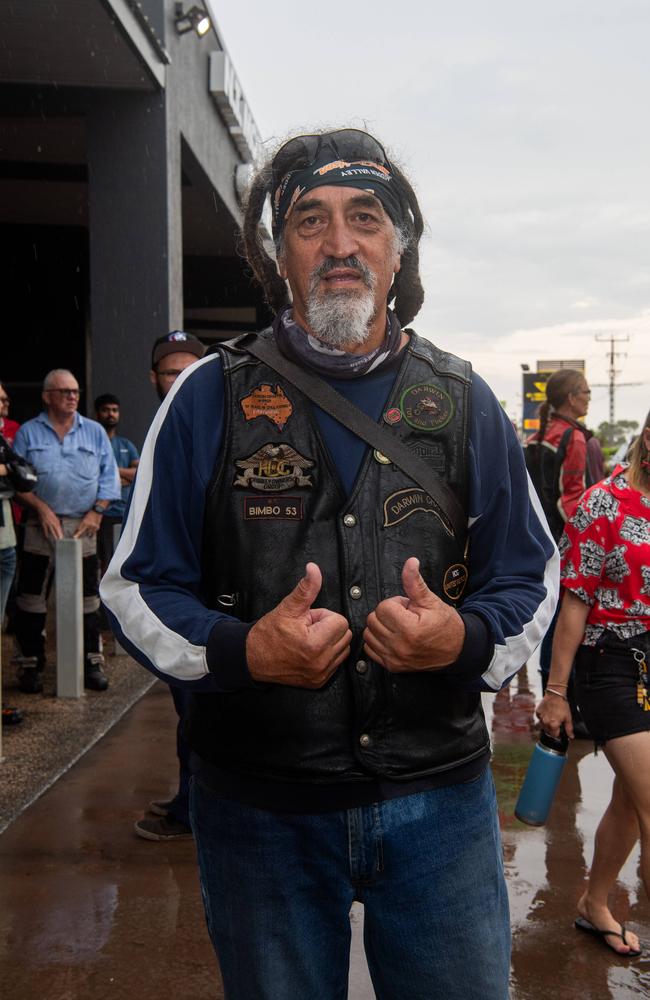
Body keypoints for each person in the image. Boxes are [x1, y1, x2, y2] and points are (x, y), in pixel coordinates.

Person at [102, 128, 558, 999]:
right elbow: (135, 584)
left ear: (399, 249)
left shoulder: (464, 398)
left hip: (442, 808)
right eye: (309, 220)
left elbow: (529, 574)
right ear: (280, 256)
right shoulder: (207, 395)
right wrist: (241, 652)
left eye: (365, 218)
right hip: (258, 812)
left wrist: (462, 643)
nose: (340, 243)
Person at [537, 410, 650, 959]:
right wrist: (556, 692)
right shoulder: (603, 503)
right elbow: (574, 599)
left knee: (632, 800)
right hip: (611, 664)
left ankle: (595, 902)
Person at [133, 330, 206, 842]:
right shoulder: (159, 430)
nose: (178, 381)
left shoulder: (223, 425)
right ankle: (190, 799)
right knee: (188, 712)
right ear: (154, 380)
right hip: (177, 602)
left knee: (202, 716)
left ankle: (195, 811)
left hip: (215, 605)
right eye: (169, 373)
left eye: (189, 371)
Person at [12, 369, 120, 693]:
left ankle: (91, 663)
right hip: (39, 523)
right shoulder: (29, 433)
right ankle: (30, 665)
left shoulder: (95, 432)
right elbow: (16, 481)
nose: (73, 396)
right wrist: (41, 507)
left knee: (88, 599)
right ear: (47, 396)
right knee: (31, 599)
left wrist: (97, 512)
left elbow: (109, 476)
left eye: (75, 391)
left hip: (83, 525)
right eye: (64, 392)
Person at [525, 369, 593, 734]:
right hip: (565, 542)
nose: (589, 396)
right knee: (566, 619)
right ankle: (565, 703)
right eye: (585, 391)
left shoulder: (540, 435)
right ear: (570, 397)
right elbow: (573, 500)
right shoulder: (574, 438)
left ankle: (551, 696)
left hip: (540, 540)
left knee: (549, 617)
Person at [94, 393, 139, 573]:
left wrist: (110, 473)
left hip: (125, 512)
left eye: (114, 410)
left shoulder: (126, 444)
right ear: (97, 413)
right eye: (105, 410)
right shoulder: (93, 442)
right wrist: (120, 477)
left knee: (125, 563)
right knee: (104, 563)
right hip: (102, 513)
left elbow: (139, 474)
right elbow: (92, 477)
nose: (111, 414)